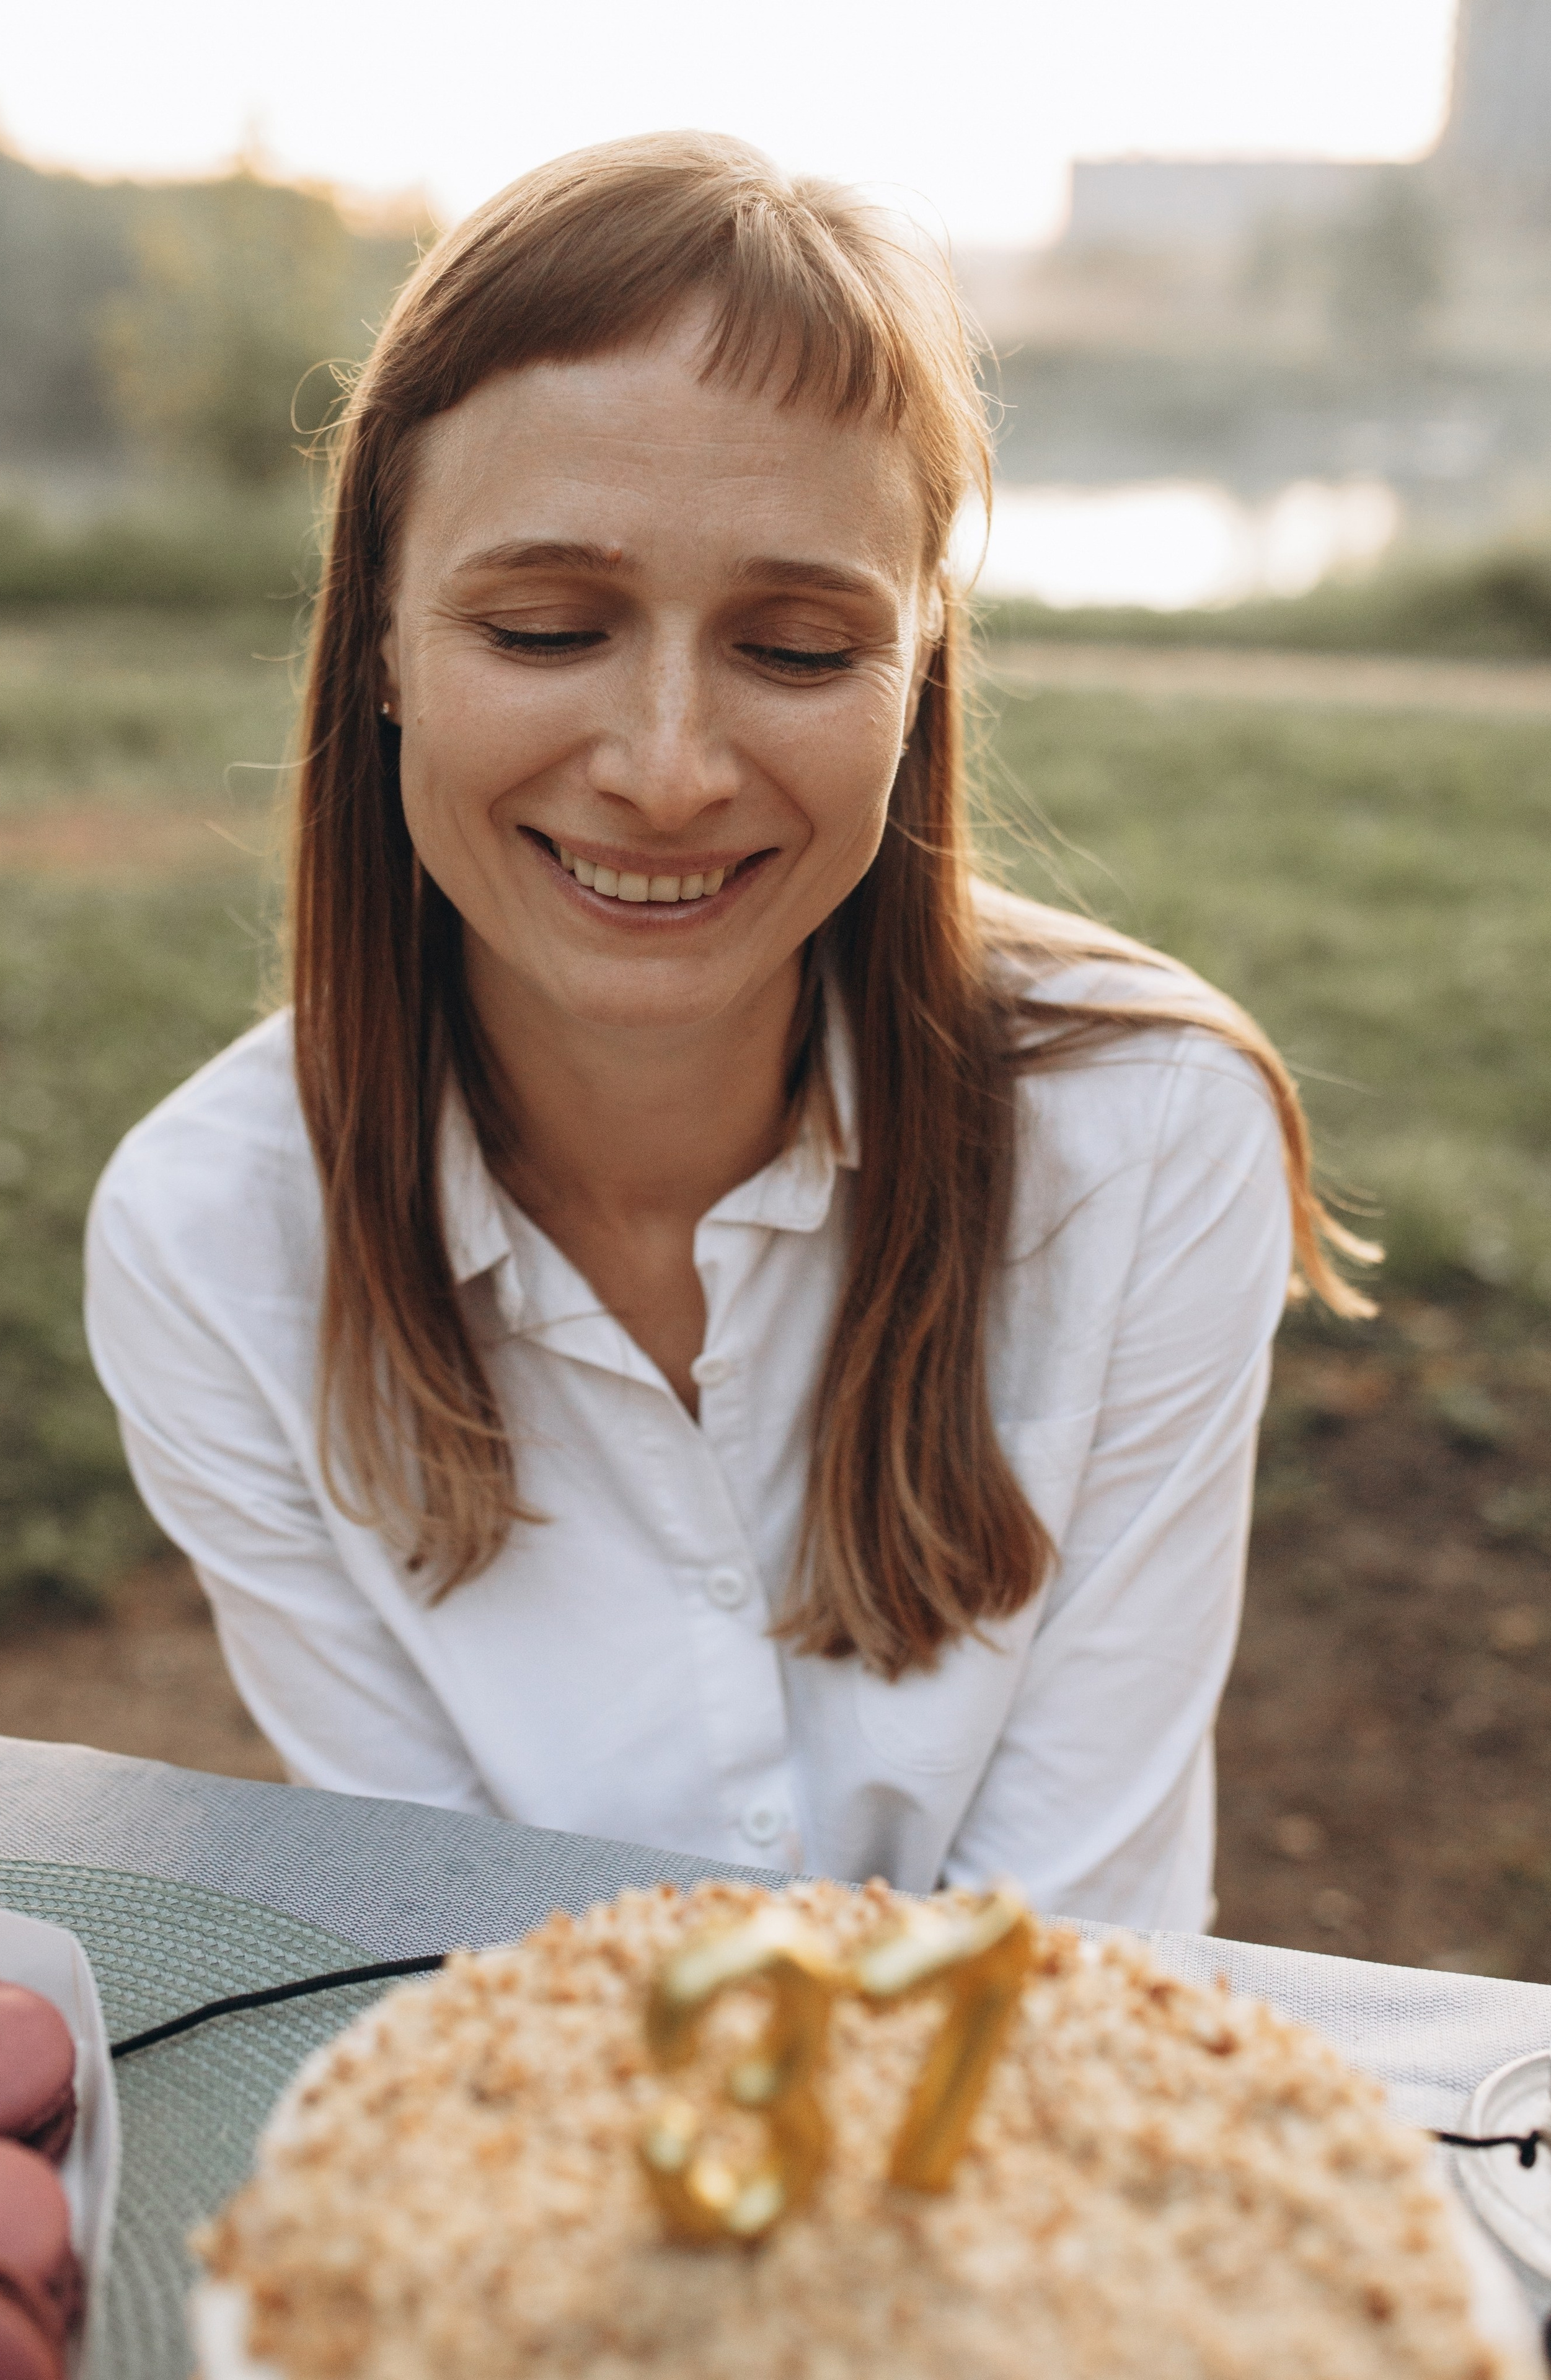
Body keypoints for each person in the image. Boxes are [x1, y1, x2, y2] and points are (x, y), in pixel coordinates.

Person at [84, 131, 1372, 1931]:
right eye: (547, 628)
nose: (670, 770)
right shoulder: (207, 1240)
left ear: (920, 672)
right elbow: (454, 1951)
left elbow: (1069, 1949)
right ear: (378, 639)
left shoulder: (1156, 1135)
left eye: (799, 651)